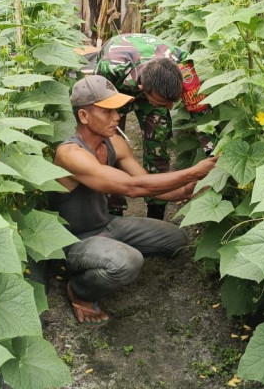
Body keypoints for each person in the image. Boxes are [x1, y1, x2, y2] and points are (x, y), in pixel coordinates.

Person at [52, 75, 219, 327]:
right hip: (74, 240)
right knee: (128, 262)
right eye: (107, 111)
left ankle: (109, 253)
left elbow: (150, 187)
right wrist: (194, 171)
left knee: (178, 240)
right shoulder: (70, 154)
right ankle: (80, 290)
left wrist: (187, 189)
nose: (117, 117)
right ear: (84, 117)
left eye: (117, 110)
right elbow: (131, 188)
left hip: (106, 225)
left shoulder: (114, 143)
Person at [94, 33, 213, 220]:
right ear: (142, 90)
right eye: (164, 103)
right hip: (118, 85)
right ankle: (113, 211)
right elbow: (97, 111)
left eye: (172, 102)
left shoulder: (184, 67)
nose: (170, 108)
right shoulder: (110, 68)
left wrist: (213, 155)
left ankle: (155, 217)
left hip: (153, 84)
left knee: (158, 147)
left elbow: (203, 116)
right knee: (109, 144)